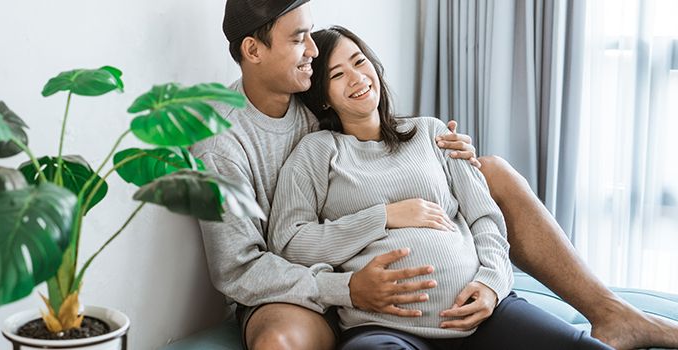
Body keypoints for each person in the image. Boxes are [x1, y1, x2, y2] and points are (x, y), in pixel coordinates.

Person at [190, 0, 678, 349]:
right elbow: (242, 267)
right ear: (253, 51)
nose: (315, 53)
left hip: (420, 284)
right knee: (281, 340)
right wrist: (347, 288)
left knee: (492, 170)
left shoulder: (309, 88)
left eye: (311, 36)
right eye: (299, 40)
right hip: (304, 287)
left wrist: (451, 155)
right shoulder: (226, 141)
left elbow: (380, 129)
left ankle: (612, 314)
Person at [268, 25, 612, 350]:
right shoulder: (317, 152)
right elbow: (289, 242)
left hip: (482, 316)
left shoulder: (431, 133)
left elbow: (485, 218)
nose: (357, 77)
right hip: (384, 327)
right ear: (323, 98)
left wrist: (492, 284)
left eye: (359, 61)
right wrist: (384, 216)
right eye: (337, 74)